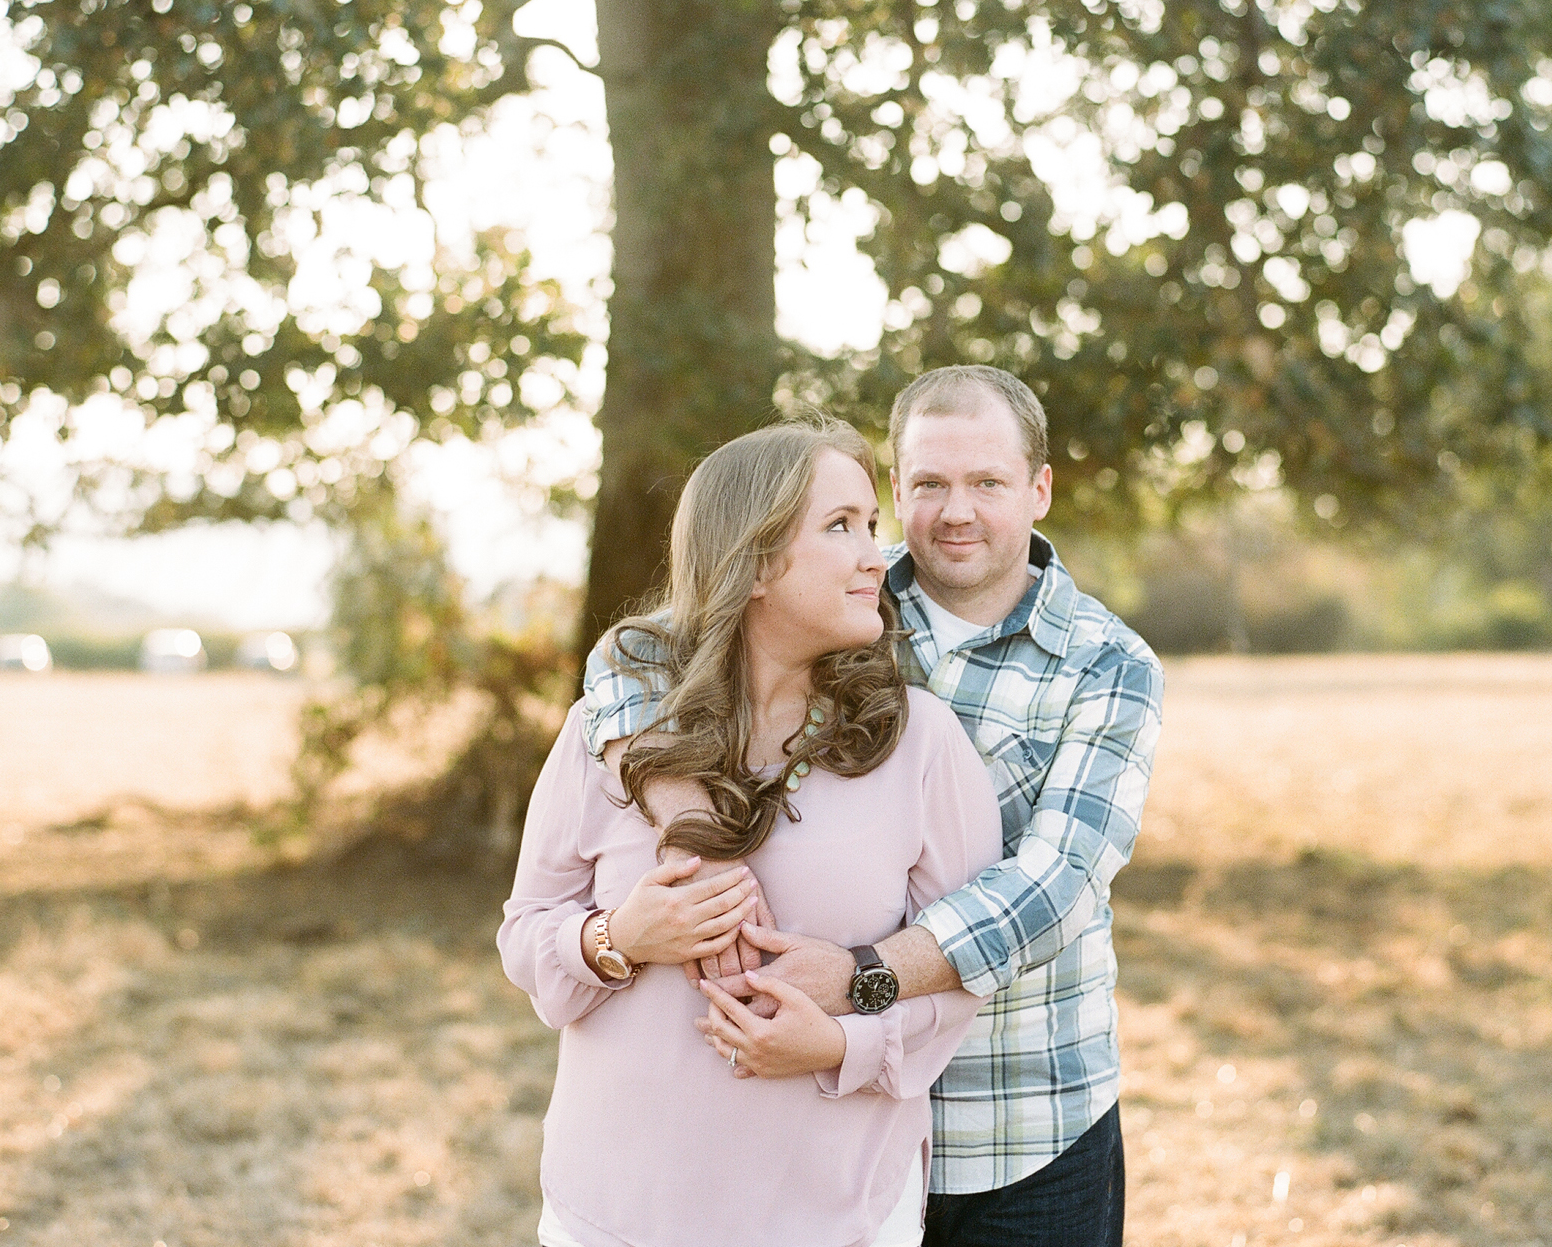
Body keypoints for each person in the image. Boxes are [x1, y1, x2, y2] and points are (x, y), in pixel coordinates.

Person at [584, 366, 1165, 1247]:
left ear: (1040, 489)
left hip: (1017, 1123)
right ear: (899, 488)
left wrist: (862, 976)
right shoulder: (841, 592)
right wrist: (700, 844)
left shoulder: (1109, 665)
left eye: (988, 483)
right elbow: (631, 658)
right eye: (929, 483)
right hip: (837, 1123)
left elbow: (1055, 886)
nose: (956, 510)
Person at [499, 417, 1004, 1247]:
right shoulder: (609, 732)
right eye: (840, 527)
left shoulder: (924, 744)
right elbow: (526, 933)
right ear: (755, 561)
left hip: (837, 1217)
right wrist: (619, 937)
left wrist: (842, 1041)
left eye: (869, 527)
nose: (875, 557)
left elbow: (961, 977)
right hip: (616, 1215)